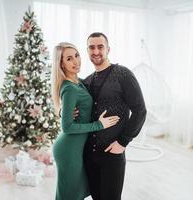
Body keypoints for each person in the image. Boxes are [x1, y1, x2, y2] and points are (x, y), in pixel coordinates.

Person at [51, 42, 120, 200]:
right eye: (69, 59)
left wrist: (63, 111)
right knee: (69, 194)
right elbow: (67, 127)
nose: (76, 61)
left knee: (76, 192)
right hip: (68, 149)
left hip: (77, 148)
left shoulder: (79, 82)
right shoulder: (69, 88)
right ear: (61, 64)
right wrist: (99, 125)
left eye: (77, 55)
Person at [82, 32, 147, 200]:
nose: (96, 51)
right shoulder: (87, 81)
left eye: (100, 47)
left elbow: (140, 110)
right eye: (91, 47)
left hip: (113, 153)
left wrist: (123, 141)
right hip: (89, 154)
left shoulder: (123, 74)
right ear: (87, 51)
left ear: (108, 49)